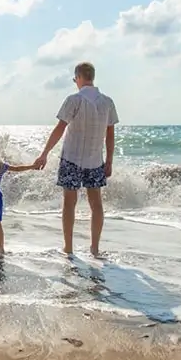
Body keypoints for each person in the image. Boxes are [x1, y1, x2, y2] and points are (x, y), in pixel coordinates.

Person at [34, 62, 118, 257]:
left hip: (71, 158)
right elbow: (110, 134)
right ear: (92, 77)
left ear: (79, 77)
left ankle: (69, 248)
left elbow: (60, 128)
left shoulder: (74, 100)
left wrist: (44, 153)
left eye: (75, 79)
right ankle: (95, 248)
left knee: (69, 204)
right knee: (96, 205)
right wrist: (110, 160)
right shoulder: (107, 102)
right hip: (95, 160)